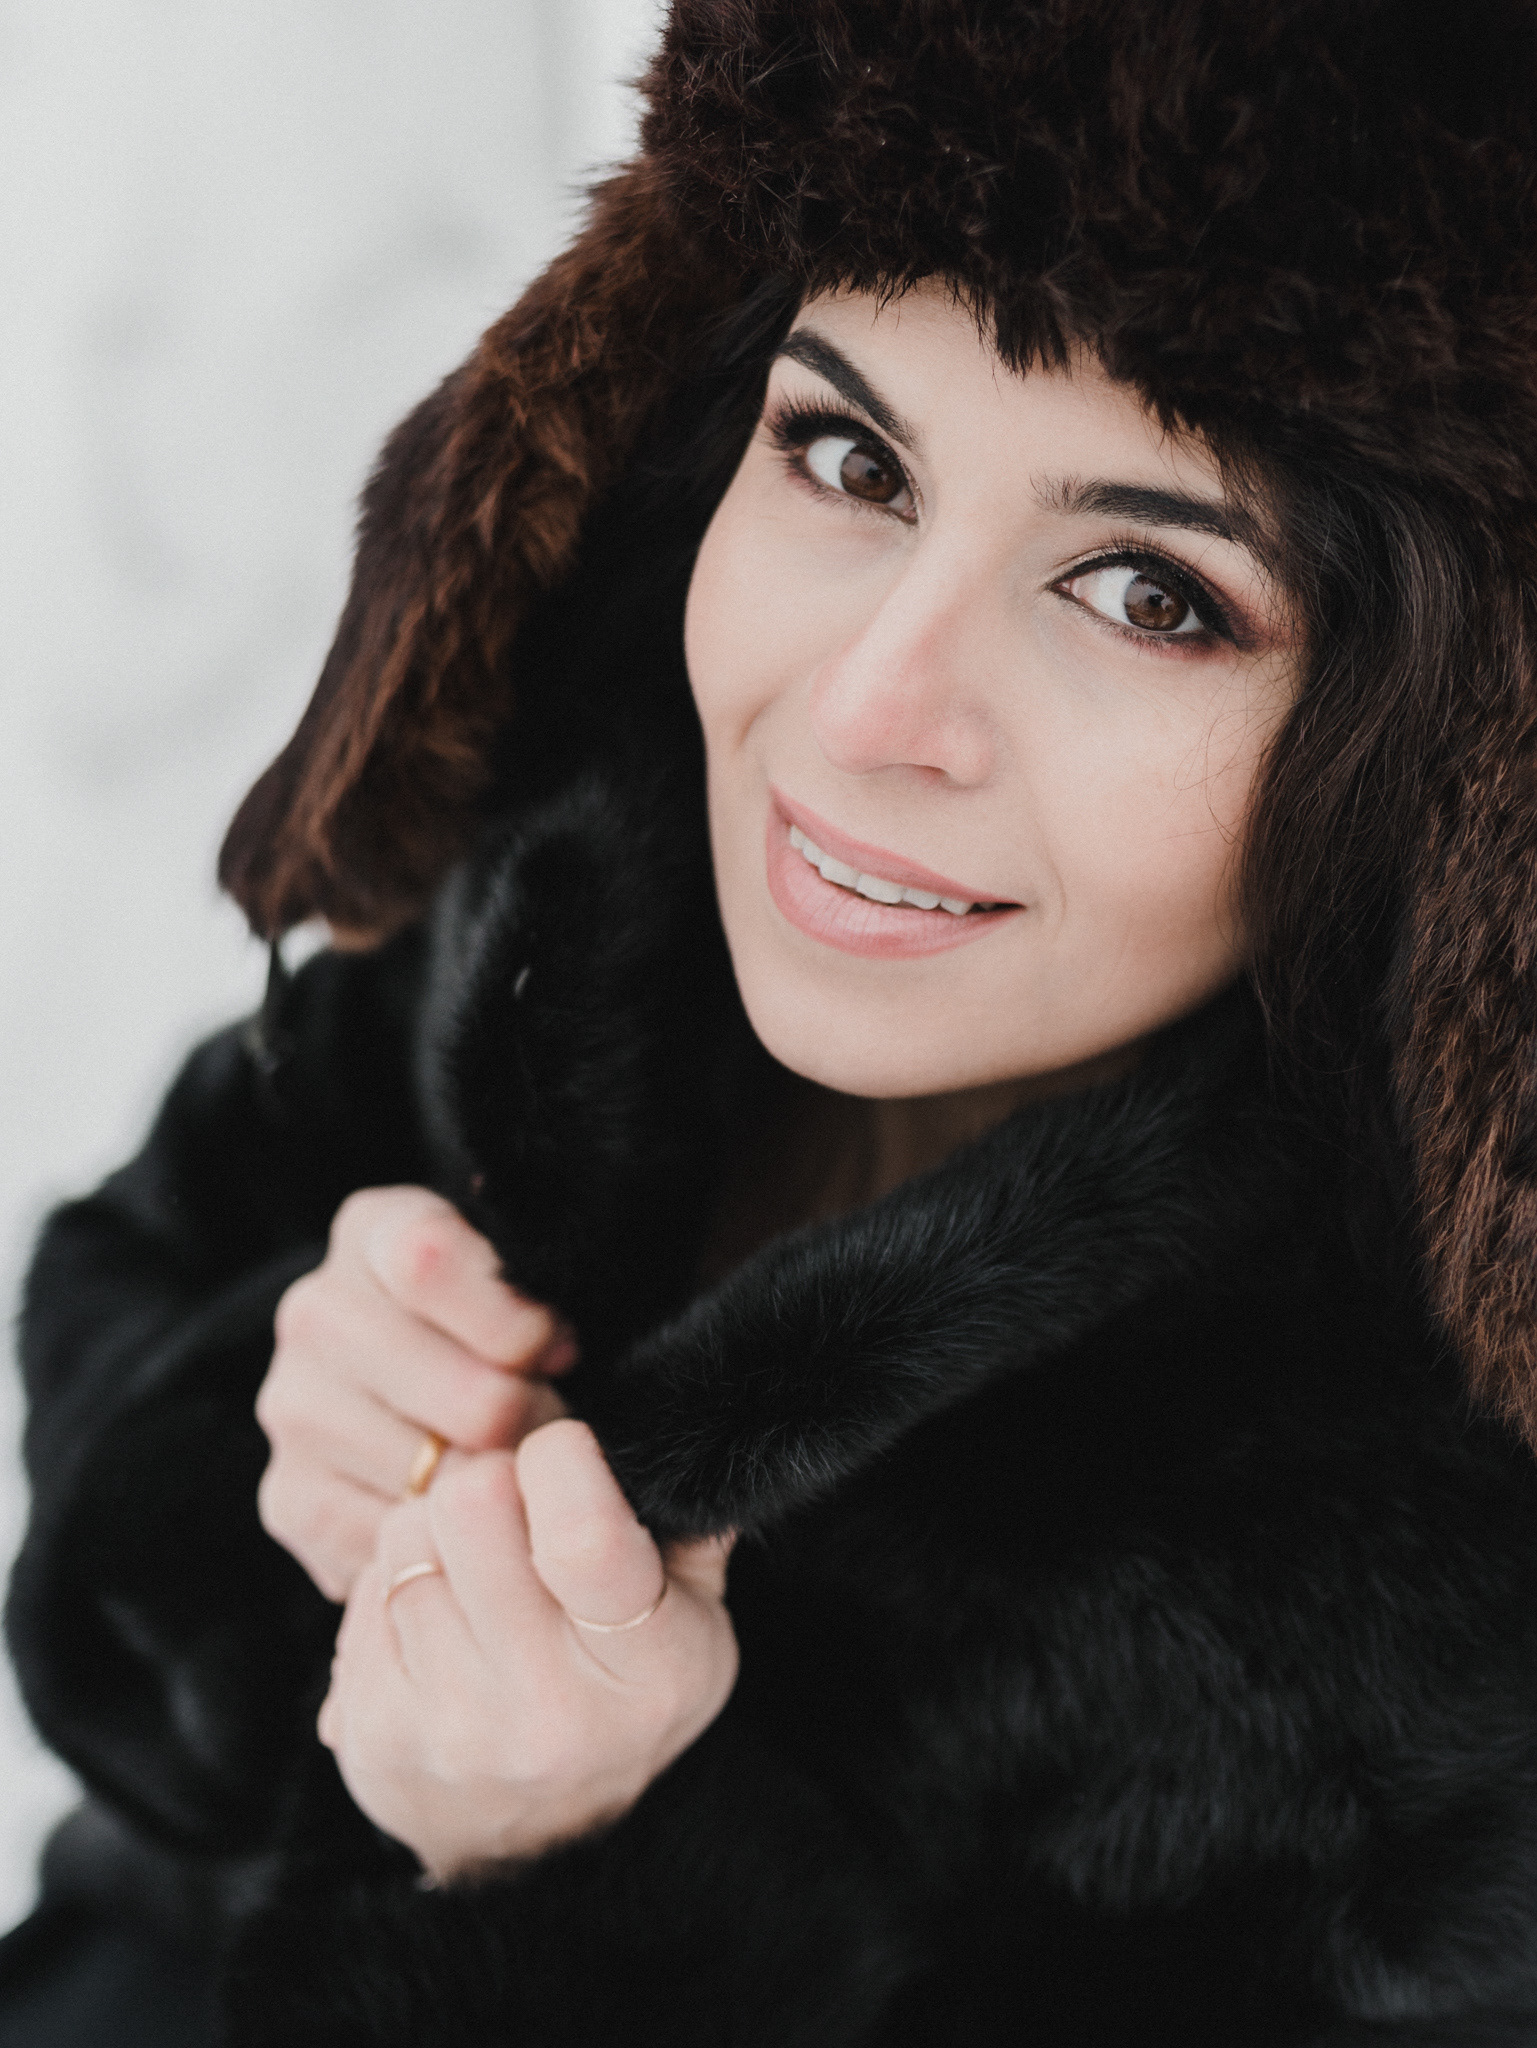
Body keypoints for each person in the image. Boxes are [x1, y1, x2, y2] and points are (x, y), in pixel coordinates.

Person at [8, 0, 1537, 2040]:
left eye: (1149, 595)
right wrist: (267, 1438)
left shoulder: (1452, 1632)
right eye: (848, 457)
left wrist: (558, 1874)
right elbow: (122, 1320)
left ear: (1459, 768)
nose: (863, 706)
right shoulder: (571, 891)